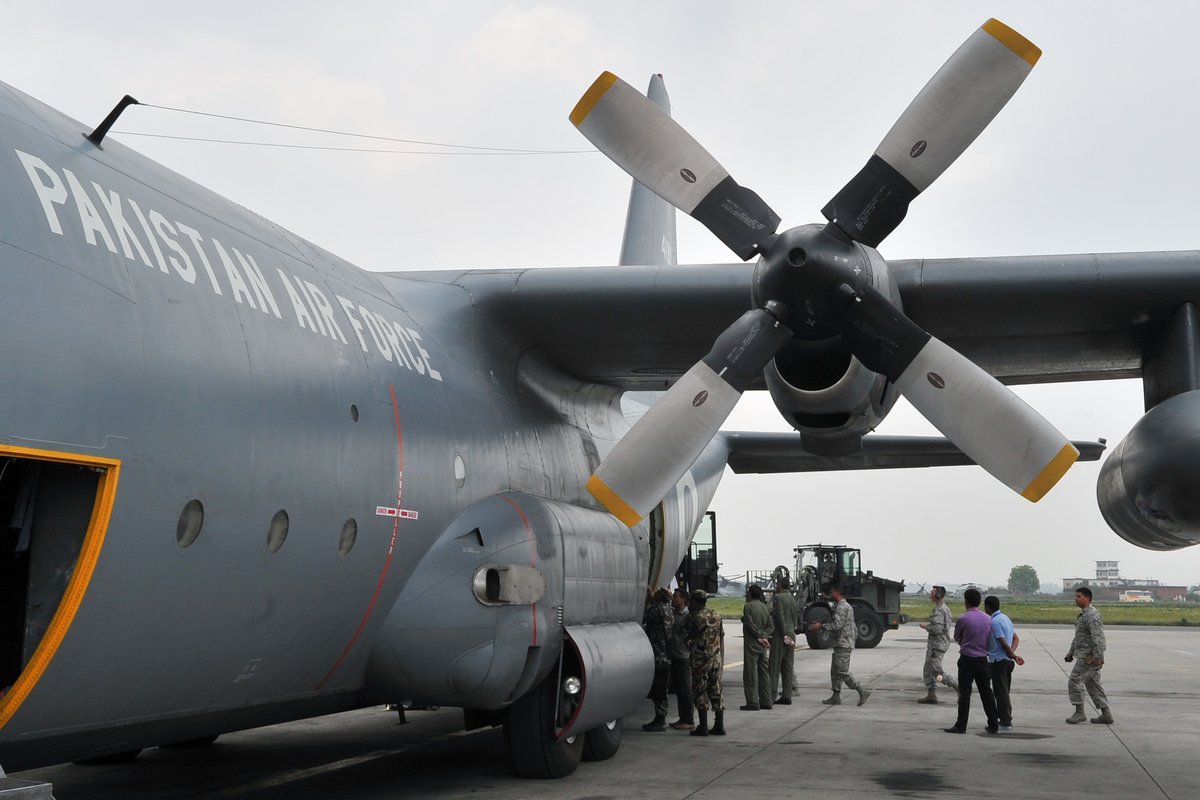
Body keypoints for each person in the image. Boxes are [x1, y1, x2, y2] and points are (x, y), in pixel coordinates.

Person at [945, 588, 999, 734]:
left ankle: (961, 725)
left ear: (966, 602)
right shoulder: (988, 619)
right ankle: (994, 724)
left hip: (967, 659)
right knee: (986, 693)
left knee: (965, 694)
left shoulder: (963, 618)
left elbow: (957, 637)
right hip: (983, 659)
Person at [808, 583, 871, 706]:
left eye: (832, 592)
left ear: (837, 591)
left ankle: (861, 690)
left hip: (843, 643)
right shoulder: (843, 606)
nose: (830, 594)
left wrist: (820, 626)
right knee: (835, 671)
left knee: (842, 671)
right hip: (841, 642)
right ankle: (836, 696)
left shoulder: (842, 607)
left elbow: (836, 626)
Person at [1065, 587, 1113, 724]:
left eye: (1079, 596)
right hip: (1084, 654)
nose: (1076, 599)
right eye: (1076, 596)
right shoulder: (1084, 615)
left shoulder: (1092, 615)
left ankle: (1079, 713)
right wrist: (1071, 651)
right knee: (1092, 684)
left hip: (1089, 657)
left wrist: (1098, 656)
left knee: (1075, 680)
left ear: (1087, 598)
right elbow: (1079, 636)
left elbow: (1098, 638)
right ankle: (1106, 714)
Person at [685, 589, 726, 736]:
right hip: (715, 659)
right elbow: (721, 635)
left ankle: (703, 726)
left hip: (700, 660)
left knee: (699, 690)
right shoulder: (715, 614)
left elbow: (684, 633)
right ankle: (719, 725)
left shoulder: (694, 616)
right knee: (715, 689)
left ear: (695, 601)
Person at [985, 595, 1024, 731]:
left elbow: (1002, 641)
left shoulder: (994, 622)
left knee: (1001, 694)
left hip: (998, 662)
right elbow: (1015, 638)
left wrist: (1011, 654)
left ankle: (1006, 722)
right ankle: (1002, 719)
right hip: (1007, 661)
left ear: (987, 607)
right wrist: (1012, 654)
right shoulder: (1006, 618)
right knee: (1004, 692)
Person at [640, 587, 673, 732]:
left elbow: (642, 618)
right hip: (665, 653)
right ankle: (661, 717)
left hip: (656, 654)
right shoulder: (668, 609)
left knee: (658, 689)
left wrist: (647, 600)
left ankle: (659, 720)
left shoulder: (655, 609)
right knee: (662, 688)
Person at [918, 585, 958, 704]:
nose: (931, 593)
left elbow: (937, 629)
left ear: (939, 595)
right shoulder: (943, 608)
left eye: (933, 592)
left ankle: (957, 686)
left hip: (937, 646)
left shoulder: (940, 610)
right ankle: (931, 694)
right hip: (936, 645)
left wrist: (926, 626)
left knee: (936, 671)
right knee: (928, 670)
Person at [740, 584, 773, 711]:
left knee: (750, 673)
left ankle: (752, 701)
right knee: (764, 673)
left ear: (750, 594)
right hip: (762, 645)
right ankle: (766, 700)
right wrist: (764, 636)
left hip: (752, 644)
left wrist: (758, 635)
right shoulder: (765, 607)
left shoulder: (748, 606)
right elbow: (771, 626)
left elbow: (749, 624)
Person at [769, 575, 799, 705]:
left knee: (774, 666)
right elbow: (795, 617)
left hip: (781, 634)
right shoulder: (793, 599)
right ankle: (787, 695)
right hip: (791, 632)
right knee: (787, 666)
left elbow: (779, 616)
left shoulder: (778, 598)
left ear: (780, 585)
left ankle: (771, 695)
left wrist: (782, 634)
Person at [668, 588, 695, 730]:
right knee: (679, 689)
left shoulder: (687, 616)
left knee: (685, 690)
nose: (674, 598)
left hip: (684, 656)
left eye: (677, 597)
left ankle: (689, 720)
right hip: (675, 654)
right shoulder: (673, 613)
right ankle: (682, 718)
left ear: (684, 600)